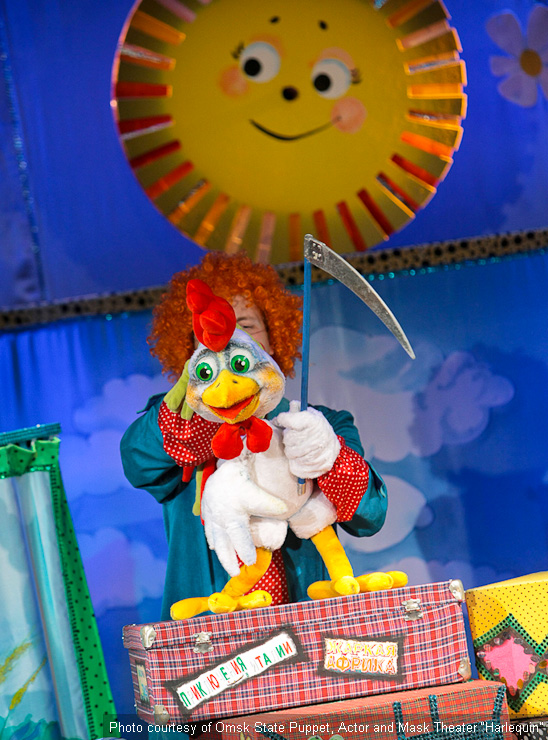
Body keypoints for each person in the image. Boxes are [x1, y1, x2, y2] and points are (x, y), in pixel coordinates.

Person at [120, 251, 388, 621]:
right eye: (214, 333)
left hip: (307, 626)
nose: (230, 341)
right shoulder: (174, 422)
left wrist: (328, 455)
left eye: (244, 326)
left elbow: (368, 515)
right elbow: (137, 461)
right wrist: (207, 409)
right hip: (210, 633)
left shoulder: (322, 422)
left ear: (274, 339)